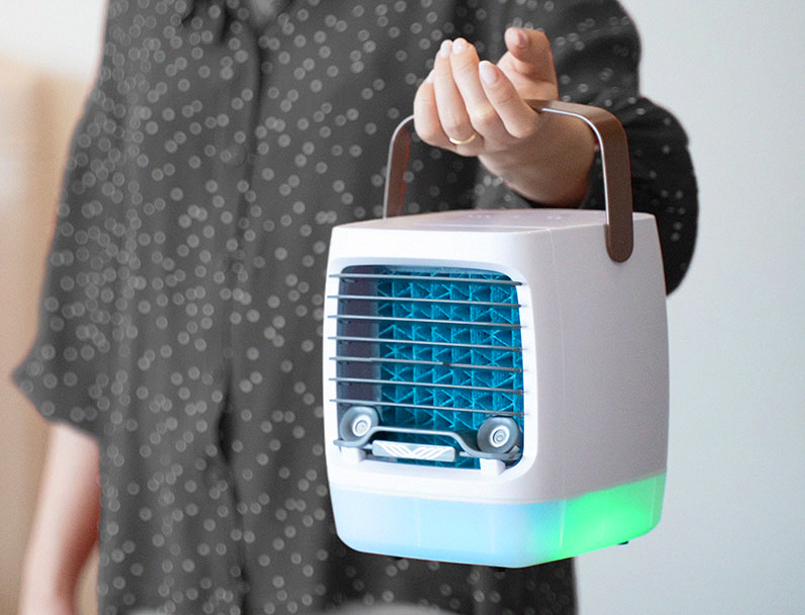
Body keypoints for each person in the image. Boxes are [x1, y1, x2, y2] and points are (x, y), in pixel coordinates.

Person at [14, 1, 697, 614]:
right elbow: (96, 311)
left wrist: (539, 158)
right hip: (167, 570)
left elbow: (644, 207)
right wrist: (46, 583)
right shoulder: (143, 12)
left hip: (421, 571)